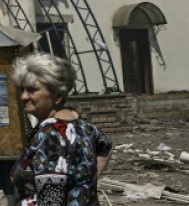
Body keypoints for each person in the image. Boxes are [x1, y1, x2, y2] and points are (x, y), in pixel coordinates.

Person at [10, 52, 113, 205]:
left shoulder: (49, 135)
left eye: (32, 90)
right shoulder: (81, 124)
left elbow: (51, 201)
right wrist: (84, 186)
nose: (23, 96)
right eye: (22, 89)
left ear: (57, 96)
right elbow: (106, 145)